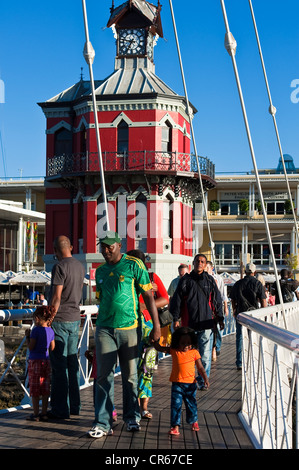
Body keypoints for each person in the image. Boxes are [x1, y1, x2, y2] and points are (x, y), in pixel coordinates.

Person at [88, 231, 160, 439]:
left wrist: (156, 327)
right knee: (103, 375)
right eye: (103, 246)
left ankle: (132, 417)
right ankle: (103, 422)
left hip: (130, 327)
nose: (105, 250)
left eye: (110, 246)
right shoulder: (99, 272)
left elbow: (148, 295)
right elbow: (102, 300)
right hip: (104, 328)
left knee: (130, 376)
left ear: (119, 245)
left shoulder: (134, 265)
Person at [169, 253, 224, 391]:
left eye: (202, 261)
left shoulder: (210, 280)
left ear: (205, 265)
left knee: (205, 355)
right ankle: (189, 378)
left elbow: (217, 300)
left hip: (206, 323)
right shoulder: (185, 280)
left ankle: (202, 381)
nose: (200, 263)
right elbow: (177, 300)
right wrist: (176, 319)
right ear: (193, 263)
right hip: (189, 324)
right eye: (197, 261)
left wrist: (220, 317)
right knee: (188, 353)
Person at [127, 249, 168, 420]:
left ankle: (144, 407)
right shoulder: (126, 278)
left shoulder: (152, 278)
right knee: (132, 369)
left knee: (148, 369)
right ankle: (134, 406)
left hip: (150, 329)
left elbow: (165, 299)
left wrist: (144, 306)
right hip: (130, 328)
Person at [48, 235, 85, 419]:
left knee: (59, 367)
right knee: (72, 364)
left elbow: (56, 297)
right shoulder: (80, 266)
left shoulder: (59, 267)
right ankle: (74, 406)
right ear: (70, 247)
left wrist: (48, 320)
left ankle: (60, 409)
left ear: (56, 250)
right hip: (75, 319)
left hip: (60, 319)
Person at [154, 326, 209, 435]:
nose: (186, 346)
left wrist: (205, 378)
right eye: (183, 343)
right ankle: (175, 426)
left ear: (192, 342)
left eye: (188, 343)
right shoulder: (174, 351)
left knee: (191, 404)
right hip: (177, 384)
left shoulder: (194, 352)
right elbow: (160, 348)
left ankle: (194, 421)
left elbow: (200, 367)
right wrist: (155, 340)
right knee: (176, 405)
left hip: (191, 385)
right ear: (177, 342)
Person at [229, 263, 267, 370]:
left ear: (245, 272)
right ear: (254, 272)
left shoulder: (238, 283)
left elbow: (232, 299)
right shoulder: (258, 284)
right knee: (252, 337)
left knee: (240, 337)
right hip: (253, 314)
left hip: (241, 313)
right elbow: (263, 300)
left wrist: (234, 309)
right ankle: (252, 359)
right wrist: (264, 314)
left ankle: (240, 362)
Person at [25, 305, 56, 421]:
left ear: (37, 318)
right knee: (45, 387)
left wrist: (27, 337)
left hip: (35, 361)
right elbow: (52, 347)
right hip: (46, 361)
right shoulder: (50, 330)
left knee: (35, 388)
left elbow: (31, 347)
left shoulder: (35, 330)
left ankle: (36, 414)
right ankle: (44, 413)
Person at [206, 260, 229, 361]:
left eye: (207, 267)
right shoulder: (203, 279)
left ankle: (217, 347)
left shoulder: (218, 279)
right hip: (208, 308)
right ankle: (211, 348)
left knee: (218, 329)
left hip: (217, 306)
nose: (206, 269)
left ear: (211, 268)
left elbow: (223, 294)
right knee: (210, 329)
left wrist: (225, 307)